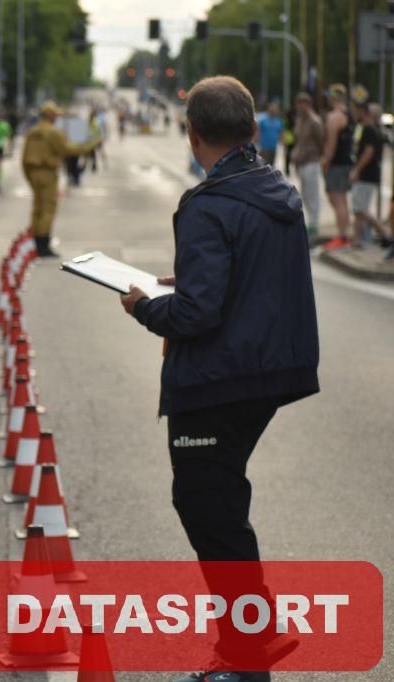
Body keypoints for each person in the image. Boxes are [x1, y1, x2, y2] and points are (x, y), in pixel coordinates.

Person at [120, 76, 319, 682]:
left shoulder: (208, 203)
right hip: (269, 370)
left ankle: (249, 647)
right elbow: (252, 280)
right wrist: (185, 284)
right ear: (252, 128)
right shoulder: (276, 190)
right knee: (219, 499)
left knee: (208, 505)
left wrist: (146, 306)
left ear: (192, 134)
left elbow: (197, 317)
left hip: (218, 378)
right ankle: (249, 650)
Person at [21, 101, 93, 258]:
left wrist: (28, 177)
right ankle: (43, 245)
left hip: (33, 172)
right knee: (48, 208)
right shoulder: (53, 132)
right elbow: (66, 149)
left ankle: (36, 242)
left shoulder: (32, 132)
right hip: (47, 173)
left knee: (37, 208)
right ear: (50, 115)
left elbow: (24, 157)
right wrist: (87, 148)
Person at [321, 84, 354, 249]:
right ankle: (345, 235)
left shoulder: (334, 117)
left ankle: (341, 236)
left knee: (337, 199)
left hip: (336, 164)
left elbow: (331, 143)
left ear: (333, 98)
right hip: (346, 162)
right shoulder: (348, 115)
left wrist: (326, 161)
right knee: (343, 200)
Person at [349, 102, 386, 248]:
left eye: (356, 111)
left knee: (361, 209)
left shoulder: (369, 130)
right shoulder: (372, 129)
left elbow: (368, 152)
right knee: (358, 209)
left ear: (364, 112)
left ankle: (385, 233)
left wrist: (357, 170)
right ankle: (357, 240)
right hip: (368, 174)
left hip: (366, 175)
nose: (354, 114)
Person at [291, 92, 324, 238]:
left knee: (313, 195)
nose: (301, 106)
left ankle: (314, 224)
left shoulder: (314, 121)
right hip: (301, 162)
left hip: (311, 161)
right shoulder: (300, 120)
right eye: (299, 103)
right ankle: (309, 222)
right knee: (304, 195)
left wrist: (318, 155)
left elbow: (321, 141)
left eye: (303, 103)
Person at [255, 102, 283, 168]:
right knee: (263, 165)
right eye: (272, 109)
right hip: (264, 147)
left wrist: (282, 142)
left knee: (271, 165)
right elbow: (258, 131)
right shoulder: (263, 120)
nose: (273, 111)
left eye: (275, 109)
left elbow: (281, 131)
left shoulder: (278, 121)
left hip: (273, 146)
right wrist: (256, 140)